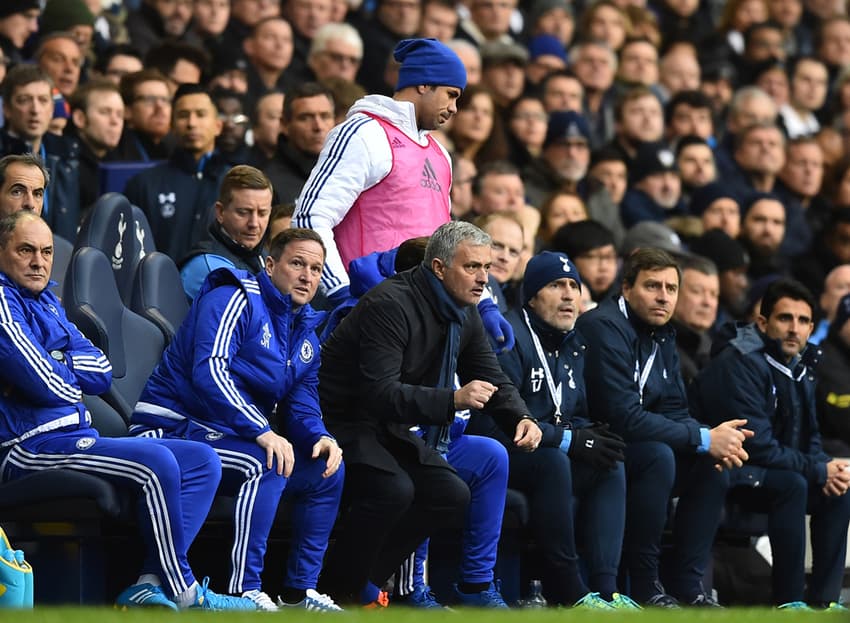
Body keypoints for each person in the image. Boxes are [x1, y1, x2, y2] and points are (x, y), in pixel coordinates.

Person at [0, 210, 253, 612]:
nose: (38, 261)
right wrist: (61, 370)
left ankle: (148, 583)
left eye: (46, 251)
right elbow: (44, 382)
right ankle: (186, 592)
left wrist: (54, 362)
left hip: (72, 435)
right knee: (156, 460)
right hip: (28, 446)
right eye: (25, 250)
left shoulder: (48, 301)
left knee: (202, 460)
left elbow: (100, 371)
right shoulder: (2, 300)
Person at [317, 221, 542, 606]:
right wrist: (452, 400)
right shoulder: (390, 304)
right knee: (395, 488)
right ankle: (336, 590)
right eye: (472, 267)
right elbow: (378, 392)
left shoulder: (464, 310)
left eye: (486, 268)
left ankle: (352, 584)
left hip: (390, 422)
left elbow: (489, 374)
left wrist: (521, 417)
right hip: (341, 419)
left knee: (450, 493)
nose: (483, 278)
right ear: (439, 268)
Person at [131, 227, 344, 612]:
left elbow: (302, 401)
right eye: (297, 263)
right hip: (173, 426)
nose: (306, 276)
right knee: (266, 463)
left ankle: (300, 593)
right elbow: (209, 370)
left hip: (226, 434)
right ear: (270, 264)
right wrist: (261, 430)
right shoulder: (234, 297)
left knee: (325, 468)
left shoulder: (306, 330)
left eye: (315, 268)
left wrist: (320, 435)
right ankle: (243, 589)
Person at [576, 247, 752, 607]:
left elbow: (674, 408)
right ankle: (645, 583)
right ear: (626, 288)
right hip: (599, 445)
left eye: (671, 289)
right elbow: (621, 416)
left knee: (712, 465)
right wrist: (703, 436)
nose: (663, 296)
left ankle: (690, 587)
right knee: (660, 456)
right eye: (653, 286)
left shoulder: (663, 334)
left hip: (637, 443)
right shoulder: (603, 326)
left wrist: (714, 442)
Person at [471, 251, 638, 609]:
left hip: (545, 449)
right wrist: (567, 440)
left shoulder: (574, 343)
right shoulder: (508, 338)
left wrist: (582, 435)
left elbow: (571, 413)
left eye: (573, 286)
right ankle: (569, 590)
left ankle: (606, 591)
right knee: (553, 462)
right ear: (531, 296)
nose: (568, 295)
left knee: (608, 461)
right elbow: (494, 424)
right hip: (501, 452)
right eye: (555, 285)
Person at [691, 279, 850, 610]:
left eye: (803, 321)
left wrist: (827, 466)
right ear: (763, 323)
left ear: (812, 327)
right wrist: (817, 467)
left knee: (839, 488)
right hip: (726, 470)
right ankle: (789, 601)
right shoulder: (739, 361)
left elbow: (810, 438)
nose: (794, 329)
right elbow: (757, 445)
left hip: (772, 467)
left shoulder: (800, 364)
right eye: (785, 319)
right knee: (792, 484)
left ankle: (823, 602)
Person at [294, 37, 466, 304]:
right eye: (451, 94)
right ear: (423, 84)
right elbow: (310, 217)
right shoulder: (365, 133)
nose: (454, 108)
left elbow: (446, 243)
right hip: (368, 310)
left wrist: (484, 302)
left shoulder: (440, 154)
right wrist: (340, 291)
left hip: (424, 316)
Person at [124, 83, 228, 262]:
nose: (191, 123)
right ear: (172, 126)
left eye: (201, 114)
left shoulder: (235, 184)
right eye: (183, 115)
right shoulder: (144, 184)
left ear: (218, 126)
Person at [179, 165, 272, 300]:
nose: (254, 223)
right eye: (243, 213)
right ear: (220, 212)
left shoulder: (261, 255)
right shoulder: (210, 267)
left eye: (263, 213)